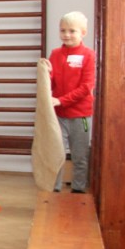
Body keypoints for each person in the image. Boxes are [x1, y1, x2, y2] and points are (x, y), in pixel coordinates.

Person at [43, 11, 95, 193]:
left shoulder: (89, 55)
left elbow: (86, 87)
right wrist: (44, 74)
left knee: (80, 155)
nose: (66, 35)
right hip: (58, 116)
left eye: (72, 31)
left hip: (81, 116)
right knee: (57, 154)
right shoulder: (55, 54)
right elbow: (50, 81)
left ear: (83, 32)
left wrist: (61, 100)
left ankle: (78, 189)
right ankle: (54, 189)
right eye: (63, 30)